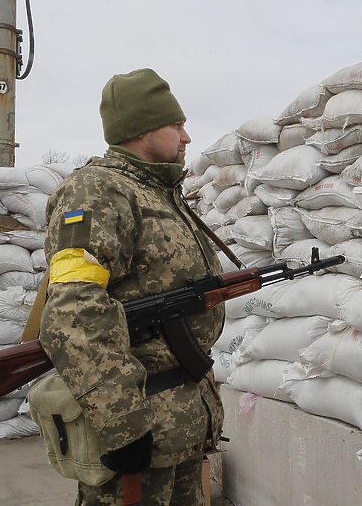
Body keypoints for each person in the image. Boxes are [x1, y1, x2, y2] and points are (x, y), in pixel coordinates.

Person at [39, 68, 225, 505]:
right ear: (143, 129)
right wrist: (121, 422)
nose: (187, 137)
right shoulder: (97, 192)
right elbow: (73, 310)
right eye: (176, 125)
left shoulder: (159, 192)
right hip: (140, 425)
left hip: (180, 421)